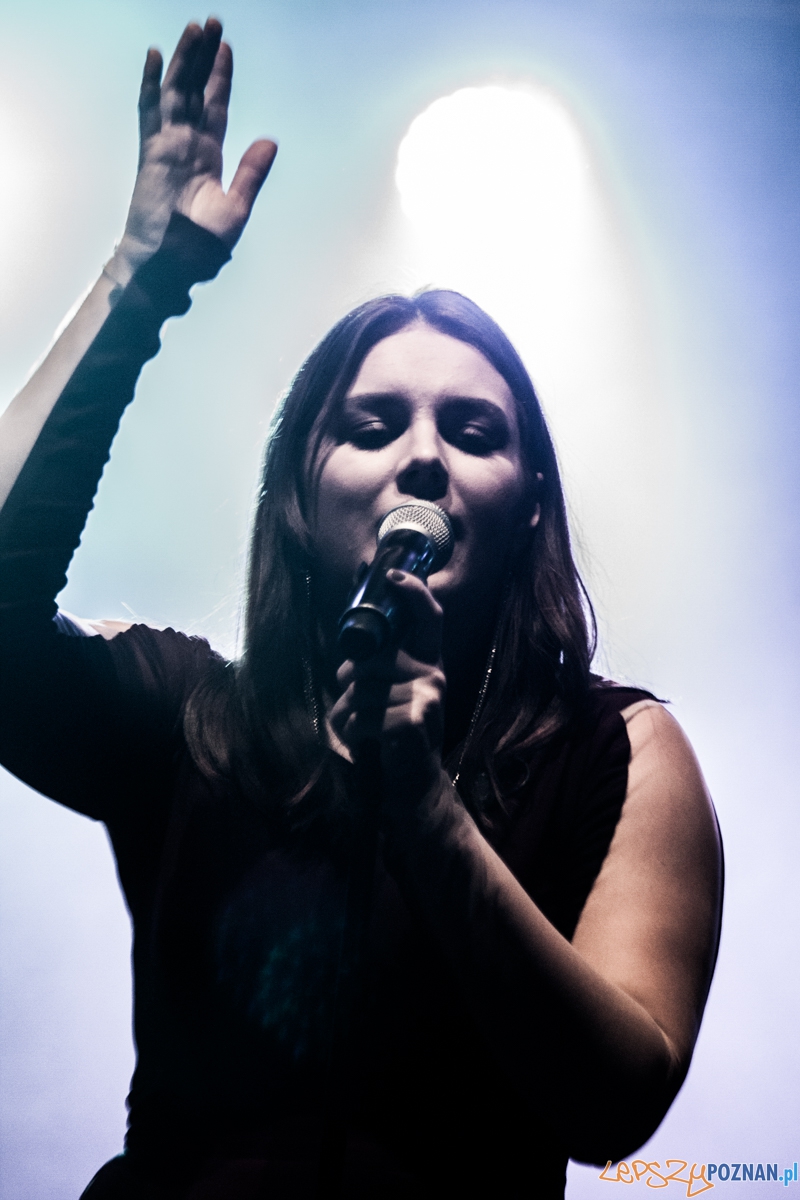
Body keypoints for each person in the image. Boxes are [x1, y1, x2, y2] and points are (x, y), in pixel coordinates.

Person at [0, 18, 723, 1200]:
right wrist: (140, 279)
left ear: (527, 505)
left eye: (473, 431)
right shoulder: (194, 720)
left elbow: (615, 1103)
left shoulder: (617, 752)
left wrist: (426, 814)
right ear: (298, 493)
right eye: (373, 425)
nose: (422, 456)